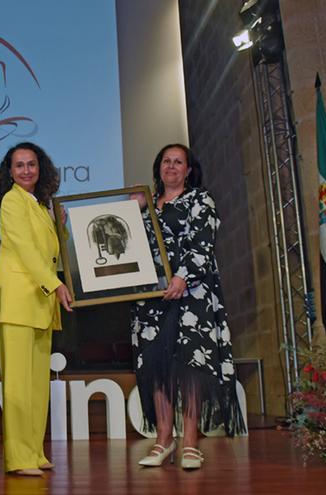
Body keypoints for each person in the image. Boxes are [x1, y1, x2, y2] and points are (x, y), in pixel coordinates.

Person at [130, 143, 245, 470]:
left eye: (178, 162)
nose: (171, 166)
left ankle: (191, 443)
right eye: (166, 161)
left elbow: (202, 243)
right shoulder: (146, 204)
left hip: (191, 294)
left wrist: (182, 277)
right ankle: (163, 441)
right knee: (157, 369)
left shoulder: (200, 200)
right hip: (150, 298)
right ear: (159, 168)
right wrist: (131, 213)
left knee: (191, 367)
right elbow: (126, 247)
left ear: (188, 169)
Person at [0, 142, 73, 476]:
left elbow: (50, 250)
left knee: (38, 385)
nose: (26, 170)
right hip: (19, 301)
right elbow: (25, 248)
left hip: (41, 301)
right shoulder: (11, 200)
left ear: (42, 169)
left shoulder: (41, 205)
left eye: (32, 164)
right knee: (18, 385)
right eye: (19, 165)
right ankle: (18, 458)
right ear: (9, 171)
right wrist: (56, 285)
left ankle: (34, 451)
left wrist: (61, 226)